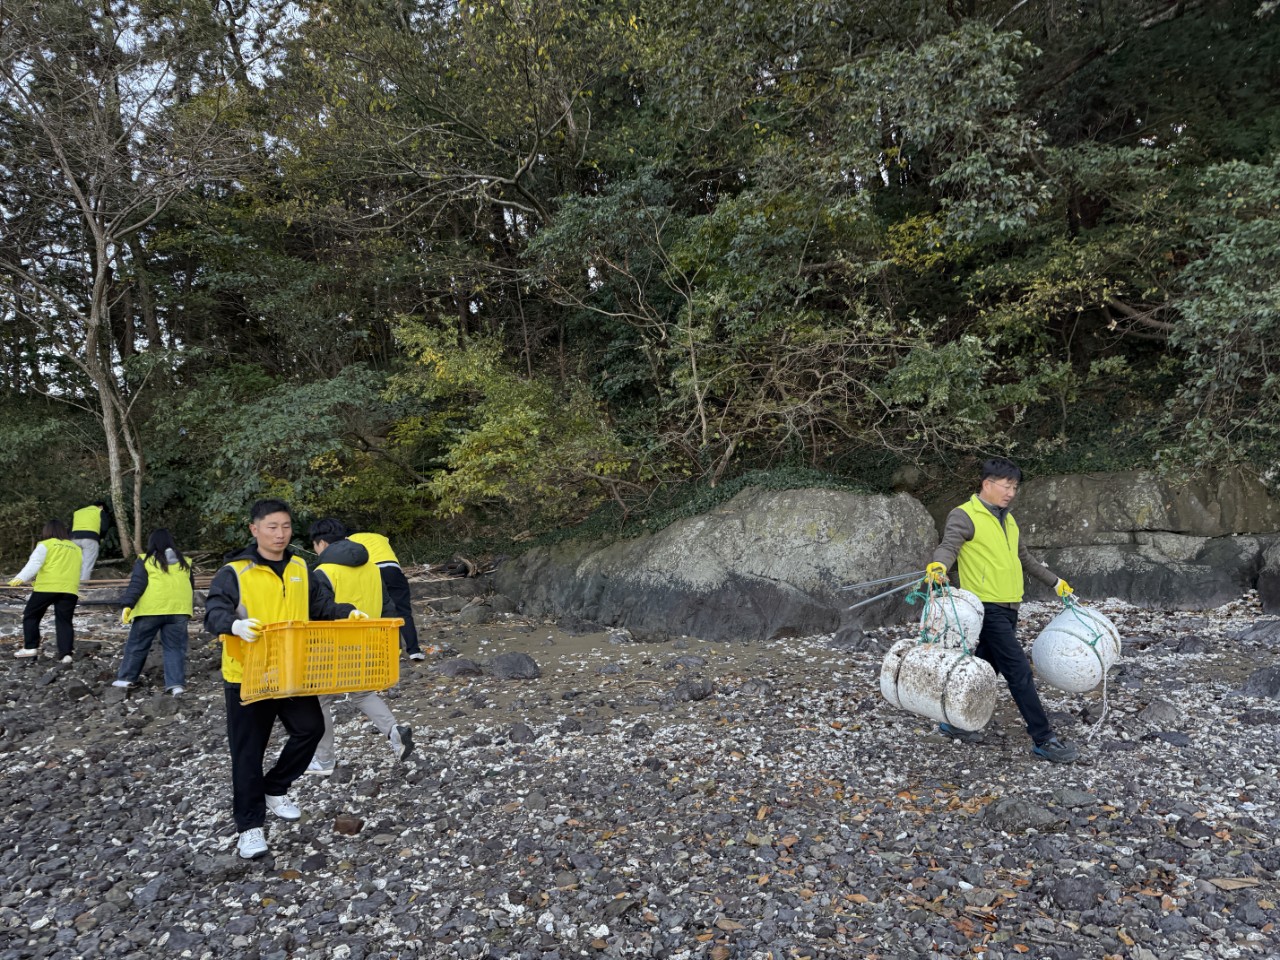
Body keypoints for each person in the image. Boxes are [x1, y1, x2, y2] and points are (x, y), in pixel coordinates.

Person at [204, 499, 368, 860]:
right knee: (248, 753)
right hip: (248, 674)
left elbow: (319, 606)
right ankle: (249, 828)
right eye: (272, 527)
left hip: (292, 671)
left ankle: (275, 787)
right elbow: (213, 611)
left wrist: (347, 613)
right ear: (255, 529)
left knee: (310, 728)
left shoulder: (299, 567)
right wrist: (234, 625)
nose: (280, 534)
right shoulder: (235, 571)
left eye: (286, 526)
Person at [925, 457, 1081, 764]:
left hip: (1010, 606)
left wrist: (1056, 583)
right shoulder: (964, 515)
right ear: (987, 484)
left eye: (1015, 487)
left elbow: (1025, 559)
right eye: (1006, 486)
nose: (1011, 493)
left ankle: (955, 722)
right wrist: (938, 566)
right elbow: (948, 546)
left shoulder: (1009, 520)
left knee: (985, 668)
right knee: (1018, 671)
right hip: (985, 607)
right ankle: (1044, 738)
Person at [305, 519, 415, 776]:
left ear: (321, 543)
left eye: (315, 546)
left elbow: (320, 611)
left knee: (318, 700)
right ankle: (395, 732)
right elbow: (388, 608)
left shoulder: (322, 572)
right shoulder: (372, 568)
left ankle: (324, 760)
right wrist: (392, 646)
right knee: (363, 693)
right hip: (368, 643)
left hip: (332, 646)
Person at [113, 528, 196, 696]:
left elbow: (137, 584)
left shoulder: (145, 560)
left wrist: (127, 605)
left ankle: (126, 679)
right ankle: (176, 685)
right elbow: (190, 586)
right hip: (179, 611)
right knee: (175, 648)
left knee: (138, 644)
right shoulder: (185, 563)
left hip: (150, 610)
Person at [8, 519, 82, 663]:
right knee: (64, 621)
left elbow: (34, 563)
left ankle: (30, 648)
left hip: (47, 587)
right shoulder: (76, 548)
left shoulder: (45, 544)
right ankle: (66, 654)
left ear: (47, 531)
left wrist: (20, 578)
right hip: (69, 589)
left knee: (31, 615)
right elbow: (78, 568)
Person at [347, 529, 428, 659]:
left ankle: (389, 650)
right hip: (393, 570)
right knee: (403, 611)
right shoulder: (381, 537)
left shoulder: (350, 539)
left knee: (380, 611)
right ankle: (414, 651)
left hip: (372, 571)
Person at [70, 500, 112, 582]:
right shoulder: (100, 511)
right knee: (87, 563)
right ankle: (83, 586)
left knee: (74, 563)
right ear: (101, 506)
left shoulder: (77, 512)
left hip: (74, 539)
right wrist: (100, 537)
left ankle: (72, 583)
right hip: (90, 538)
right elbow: (104, 528)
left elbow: (70, 528)